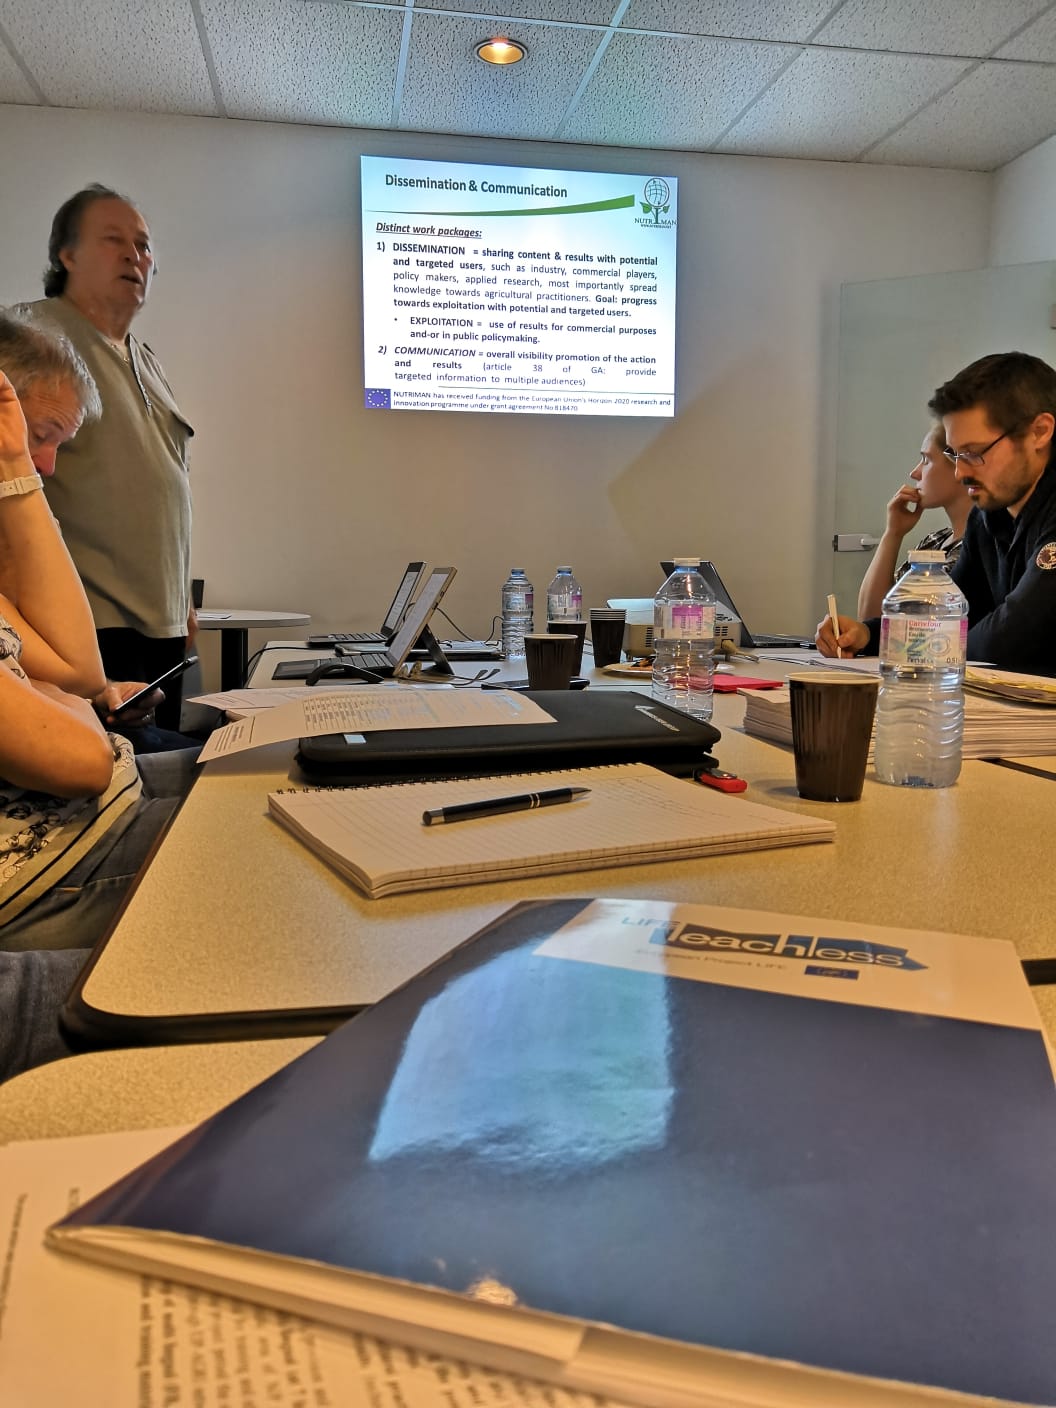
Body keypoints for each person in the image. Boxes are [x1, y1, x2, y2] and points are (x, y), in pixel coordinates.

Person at [0, 313, 197, 1080]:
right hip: (52, 867)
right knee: (275, 891)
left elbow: (77, 674)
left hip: (82, 826)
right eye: (35, 438)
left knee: (270, 797)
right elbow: (83, 754)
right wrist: (15, 476)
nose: (46, 467)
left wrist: (16, 478)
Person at [26, 184, 195, 732]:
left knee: (157, 766)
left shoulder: (147, 359)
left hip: (162, 621)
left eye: (143, 245)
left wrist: (183, 599)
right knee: (105, 769)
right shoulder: (31, 335)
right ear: (67, 255)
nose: (133, 255)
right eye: (113, 239)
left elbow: (164, 483)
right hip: (84, 621)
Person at [819, 352, 1056, 677]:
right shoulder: (988, 515)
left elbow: (1010, 637)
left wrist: (915, 644)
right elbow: (946, 616)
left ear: (1040, 432)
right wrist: (869, 635)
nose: (960, 473)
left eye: (973, 453)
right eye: (955, 454)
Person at [856, 422, 972, 619]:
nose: (915, 473)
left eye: (926, 459)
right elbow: (871, 619)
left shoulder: (979, 548)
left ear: (958, 467)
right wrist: (893, 534)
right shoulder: (935, 541)